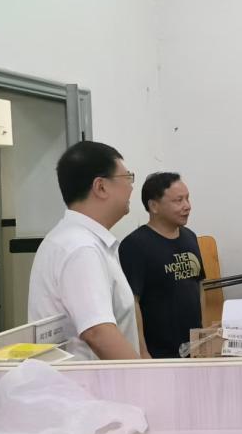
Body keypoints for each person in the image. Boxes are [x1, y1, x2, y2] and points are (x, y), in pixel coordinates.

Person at [28, 141, 148, 360]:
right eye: (127, 177)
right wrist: (145, 378)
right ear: (101, 187)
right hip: (90, 382)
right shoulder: (81, 247)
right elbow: (98, 333)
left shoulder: (74, 239)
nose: (131, 187)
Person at [118, 172, 205, 358]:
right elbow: (132, 303)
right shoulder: (135, 245)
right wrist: (142, 352)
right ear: (154, 206)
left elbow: (199, 285)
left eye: (187, 198)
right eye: (178, 200)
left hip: (194, 349)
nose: (187, 206)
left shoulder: (190, 237)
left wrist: (202, 335)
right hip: (158, 354)